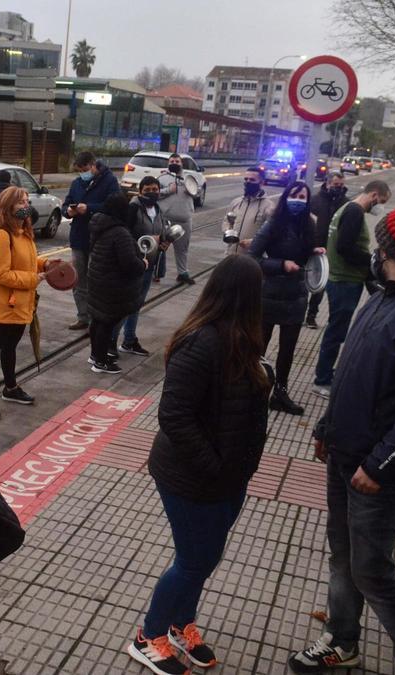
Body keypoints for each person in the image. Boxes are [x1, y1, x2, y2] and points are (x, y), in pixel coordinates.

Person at [289, 206, 395, 675]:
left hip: (379, 469)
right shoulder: (387, 293)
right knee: (343, 556)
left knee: (371, 568)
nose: (373, 248)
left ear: (390, 249)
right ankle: (342, 640)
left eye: (379, 242)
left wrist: (381, 463)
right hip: (347, 453)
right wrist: (327, 427)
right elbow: (354, 373)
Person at [129, 255, 272, 675]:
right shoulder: (202, 340)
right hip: (193, 477)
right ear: (245, 295)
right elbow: (173, 415)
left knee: (204, 558)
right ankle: (148, 636)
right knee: (194, 560)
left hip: (228, 476)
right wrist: (214, 466)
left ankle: (179, 625)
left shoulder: (243, 337)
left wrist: (235, 469)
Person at [0, 186, 56, 420]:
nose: (26, 206)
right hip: (4, 302)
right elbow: (0, 274)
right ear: (7, 206)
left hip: (21, 300)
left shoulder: (22, 231)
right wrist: (35, 279)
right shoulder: (1, 234)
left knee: (10, 346)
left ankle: (10, 387)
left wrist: (45, 264)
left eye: (27, 201)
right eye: (21, 202)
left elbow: (26, 261)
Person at [310, 180, 391, 398]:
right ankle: (322, 379)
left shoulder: (347, 208)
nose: (380, 206)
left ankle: (326, 374)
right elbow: (345, 247)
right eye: (381, 202)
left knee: (336, 329)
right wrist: (373, 261)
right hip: (345, 280)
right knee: (336, 332)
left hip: (342, 278)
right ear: (374, 195)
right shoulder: (355, 212)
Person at [248, 181, 321, 416]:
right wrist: (280, 264)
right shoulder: (273, 223)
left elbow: (304, 255)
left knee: (287, 350)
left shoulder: (309, 225)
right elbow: (253, 257)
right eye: (294, 195)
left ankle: (280, 392)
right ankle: (251, 389)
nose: (298, 200)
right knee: (259, 345)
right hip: (269, 294)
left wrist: (314, 253)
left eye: (302, 196)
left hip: (296, 296)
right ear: (286, 197)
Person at [87, 192, 147, 374]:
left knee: (98, 320)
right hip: (113, 285)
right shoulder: (120, 232)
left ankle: (95, 354)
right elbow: (129, 263)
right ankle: (101, 361)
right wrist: (143, 264)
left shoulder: (100, 224)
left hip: (99, 280)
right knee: (107, 322)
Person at [62, 151, 120, 331]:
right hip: (79, 237)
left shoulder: (109, 181)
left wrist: (89, 208)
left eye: (85, 169)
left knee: (96, 281)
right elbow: (66, 205)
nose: (82, 173)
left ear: (93, 165)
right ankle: (83, 316)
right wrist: (68, 211)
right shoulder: (77, 184)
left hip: (100, 239)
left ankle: (98, 319)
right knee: (78, 280)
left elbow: (115, 206)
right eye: (79, 170)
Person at [114, 176, 164, 356]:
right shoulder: (134, 208)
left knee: (137, 304)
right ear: (140, 190)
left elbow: (160, 232)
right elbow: (124, 234)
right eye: (148, 189)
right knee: (126, 304)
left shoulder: (157, 209)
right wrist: (145, 242)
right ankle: (110, 343)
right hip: (135, 264)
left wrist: (163, 241)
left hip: (149, 263)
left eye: (155, 189)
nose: (152, 193)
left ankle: (129, 340)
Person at [305, 172, 348, 328]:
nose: (339, 188)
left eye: (341, 185)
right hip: (312, 246)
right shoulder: (315, 201)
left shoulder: (345, 203)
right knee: (305, 281)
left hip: (330, 251)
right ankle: (301, 312)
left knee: (320, 284)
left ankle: (311, 315)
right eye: (336, 185)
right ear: (328, 183)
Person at [156, 153, 196, 285]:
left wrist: (192, 191)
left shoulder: (189, 179)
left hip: (184, 220)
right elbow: (154, 195)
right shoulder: (162, 178)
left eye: (177, 161)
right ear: (168, 163)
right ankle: (156, 272)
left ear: (181, 163)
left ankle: (182, 273)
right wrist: (168, 190)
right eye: (172, 161)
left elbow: (198, 193)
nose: (174, 163)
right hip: (165, 219)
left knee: (182, 249)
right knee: (160, 247)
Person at [221, 167, 275, 255]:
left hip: (252, 258)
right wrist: (227, 232)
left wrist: (254, 242)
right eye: (246, 179)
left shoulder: (269, 206)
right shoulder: (236, 202)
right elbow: (226, 220)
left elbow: (272, 233)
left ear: (261, 183)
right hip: (231, 254)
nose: (248, 182)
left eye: (252, 180)